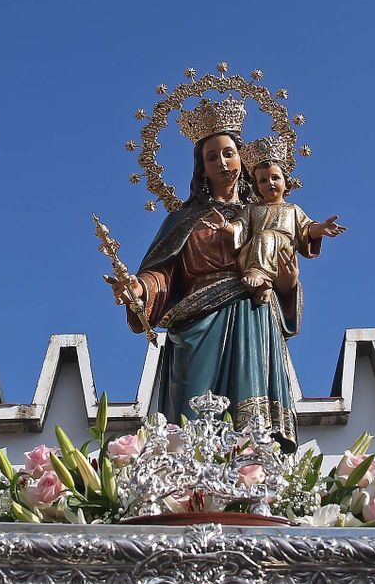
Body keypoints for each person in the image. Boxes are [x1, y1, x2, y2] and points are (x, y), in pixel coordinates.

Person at [108, 130, 309, 445]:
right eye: (211, 157)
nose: (222, 162)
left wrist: (289, 281)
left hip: (252, 314)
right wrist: (140, 288)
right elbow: (162, 274)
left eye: (229, 153)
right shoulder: (185, 219)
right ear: (201, 168)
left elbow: (281, 271)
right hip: (197, 320)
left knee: (251, 420)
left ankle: (252, 470)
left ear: (243, 159)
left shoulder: (263, 215)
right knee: (191, 419)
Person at [236, 144, 345, 306]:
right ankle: (265, 285)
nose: (270, 183)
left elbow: (306, 229)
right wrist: (224, 226)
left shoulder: (292, 209)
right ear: (257, 186)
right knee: (260, 239)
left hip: (283, 251)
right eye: (263, 180)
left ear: (286, 182)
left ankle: (260, 274)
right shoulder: (251, 209)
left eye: (275, 178)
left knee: (265, 236)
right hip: (254, 252)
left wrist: (320, 229)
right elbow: (239, 228)